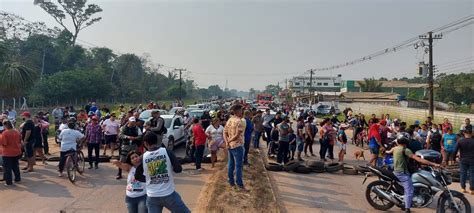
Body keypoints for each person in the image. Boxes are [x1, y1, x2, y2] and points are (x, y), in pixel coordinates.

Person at [389, 134, 440, 213]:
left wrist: (385, 151)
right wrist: (433, 164)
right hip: (402, 173)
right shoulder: (405, 150)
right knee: (409, 190)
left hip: (396, 171)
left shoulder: (395, 148)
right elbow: (418, 159)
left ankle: (405, 201)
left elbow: (389, 151)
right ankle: (407, 209)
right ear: (406, 141)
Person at [142, 132, 189, 213]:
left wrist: (150, 178)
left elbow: (138, 176)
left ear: (145, 143)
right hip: (168, 194)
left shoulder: (143, 157)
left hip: (152, 196)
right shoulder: (167, 151)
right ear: (157, 141)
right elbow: (178, 169)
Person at [223, 104, 247, 191]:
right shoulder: (239, 121)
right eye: (241, 110)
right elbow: (237, 135)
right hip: (237, 145)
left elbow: (224, 132)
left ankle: (231, 181)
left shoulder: (230, 120)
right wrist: (229, 141)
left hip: (230, 146)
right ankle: (239, 184)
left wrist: (227, 142)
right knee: (238, 166)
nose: (242, 112)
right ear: (237, 111)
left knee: (231, 164)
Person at [0, 120, 22, 186]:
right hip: (16, 151)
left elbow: (4, 143)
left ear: (5, 125)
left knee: (7, 168)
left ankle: (8, 182)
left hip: (7, 153)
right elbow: (20, 140)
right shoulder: (17, 131)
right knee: (15, 166)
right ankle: (17, 179)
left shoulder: (5, 133)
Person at [454, 125, 474, 194]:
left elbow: (455, 150)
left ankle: (463, 188)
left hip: (463, 159)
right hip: (472, 160)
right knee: (472, 174)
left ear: (464, 133)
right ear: (471, 133)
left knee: (463, 174)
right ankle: (472, 189)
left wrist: (454, 158)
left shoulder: (460, 141)